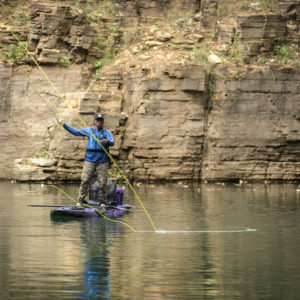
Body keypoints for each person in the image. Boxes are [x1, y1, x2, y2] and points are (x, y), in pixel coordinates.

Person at [62, 114, 114, 207]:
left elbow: (112, 142)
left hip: (102, 161)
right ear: (94, 121)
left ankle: (102, 203)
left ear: (103, 122)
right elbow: (75, 132)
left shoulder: (107, 132)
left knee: (102, 182)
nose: (99, 122)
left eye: (100, 120)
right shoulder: (89, 131)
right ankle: (80, 201)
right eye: (97, 120)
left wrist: (107, 142)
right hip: (89, 160)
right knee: (85, 180)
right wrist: (63, 125)